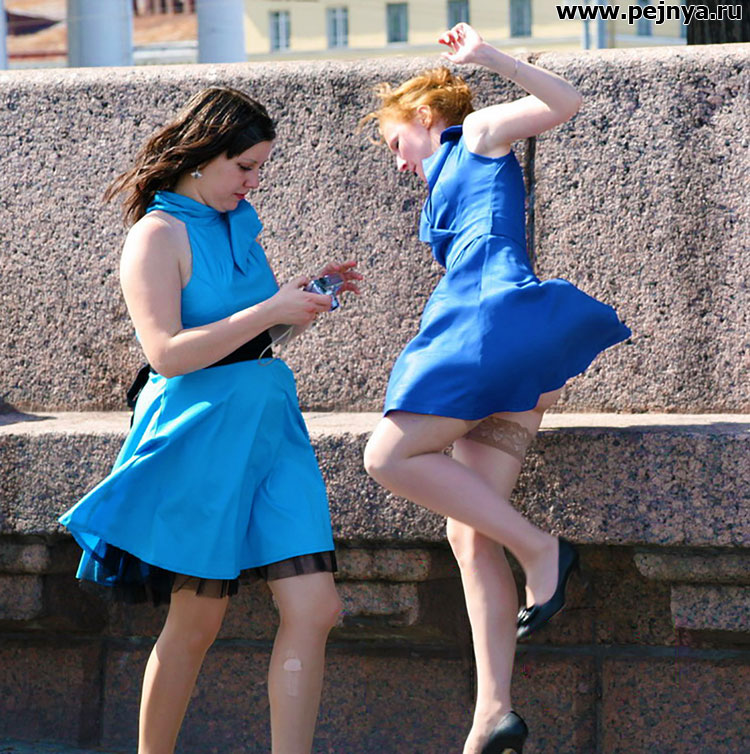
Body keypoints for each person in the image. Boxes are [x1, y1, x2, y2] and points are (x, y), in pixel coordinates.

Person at [59, 86, 361, 754]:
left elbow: (250, 339)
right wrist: (270, 309)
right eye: (244, 166)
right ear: (202, 156)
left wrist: (303, 303)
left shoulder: (238, 225)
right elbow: (166, 353)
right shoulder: (156, 235)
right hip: (202, 434)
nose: (254, 182)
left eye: (260, 168)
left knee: (318, 608)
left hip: (272, 426)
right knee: (196, 623)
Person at [361, 24, 630, 754]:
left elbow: (565, 102)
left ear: (424, 117)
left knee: (386, 456)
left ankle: (543, 551)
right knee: (468, 528)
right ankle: (493, 711)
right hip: (511, 345)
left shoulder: (474, 134)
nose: (397, 162)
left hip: (486, 319)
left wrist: (486, 58)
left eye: (395, 143)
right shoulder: (448, 175)